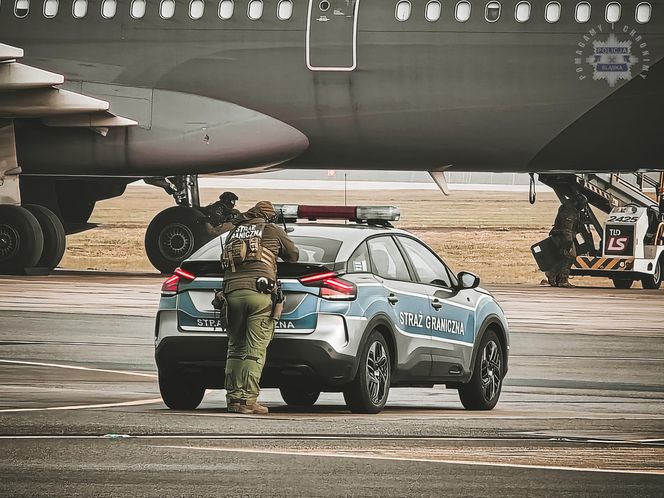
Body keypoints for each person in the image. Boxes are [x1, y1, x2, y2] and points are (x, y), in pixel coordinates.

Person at [222, 201, 299, 414]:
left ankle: (234, 400)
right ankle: (248, 401)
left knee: (235, 348)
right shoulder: (271, 230)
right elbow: (294, 256)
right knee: (254, 351)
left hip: (231, 295)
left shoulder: (234, 232)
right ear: (269, 217)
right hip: (259, 295)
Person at [545, 193, 587, 288]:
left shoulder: (568, 208)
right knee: (570, 256)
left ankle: (554, 276)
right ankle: (561, 279)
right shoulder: (570, 212)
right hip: (563, 237)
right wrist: (569, 242)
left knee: (561, 258)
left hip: (559, 236)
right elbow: (567, 229)